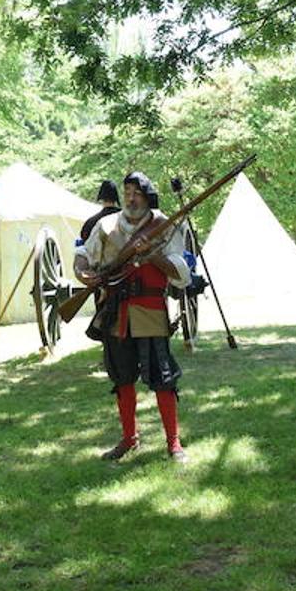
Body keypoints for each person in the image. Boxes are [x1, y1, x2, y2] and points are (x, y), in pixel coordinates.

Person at [75, 172, 192, 463]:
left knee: (163, 379)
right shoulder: (106, 225)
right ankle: (129, 438)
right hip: (116, 311)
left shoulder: (163, 226)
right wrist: (81, 271)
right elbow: (84, 252)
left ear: (147, 196)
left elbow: (180, 272)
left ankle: (173, 442)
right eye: (127, 192)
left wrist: (152, 254)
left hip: (151, 310)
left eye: (136, 192)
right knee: (122, 377)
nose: (130, 198)